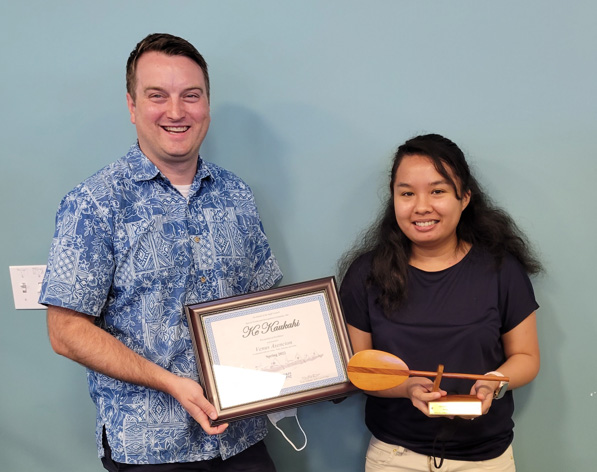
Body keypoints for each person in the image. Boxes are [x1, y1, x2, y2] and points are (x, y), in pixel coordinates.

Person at [39, 33, 282, 471]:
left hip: (241, 436)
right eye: (158, 96)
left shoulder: (237, 194)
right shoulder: (94, 203)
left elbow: (261, 307)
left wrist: (309, 369)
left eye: (191, 95)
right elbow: (65, 330)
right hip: (150, 447)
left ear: (207, 104)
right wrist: (171, 383)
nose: (176, 111)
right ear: (132, 106)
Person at [339, 134, 541, 471]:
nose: (421, 206)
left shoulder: (501, 269)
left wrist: (495, 381)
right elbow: (360, 368)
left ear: (464, 198)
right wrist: (406, 388)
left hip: (486, 459)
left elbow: (527, 357)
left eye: (438, 191)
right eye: (407, 193)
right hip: (394, 458)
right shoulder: (367, 273)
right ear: (393, 200)